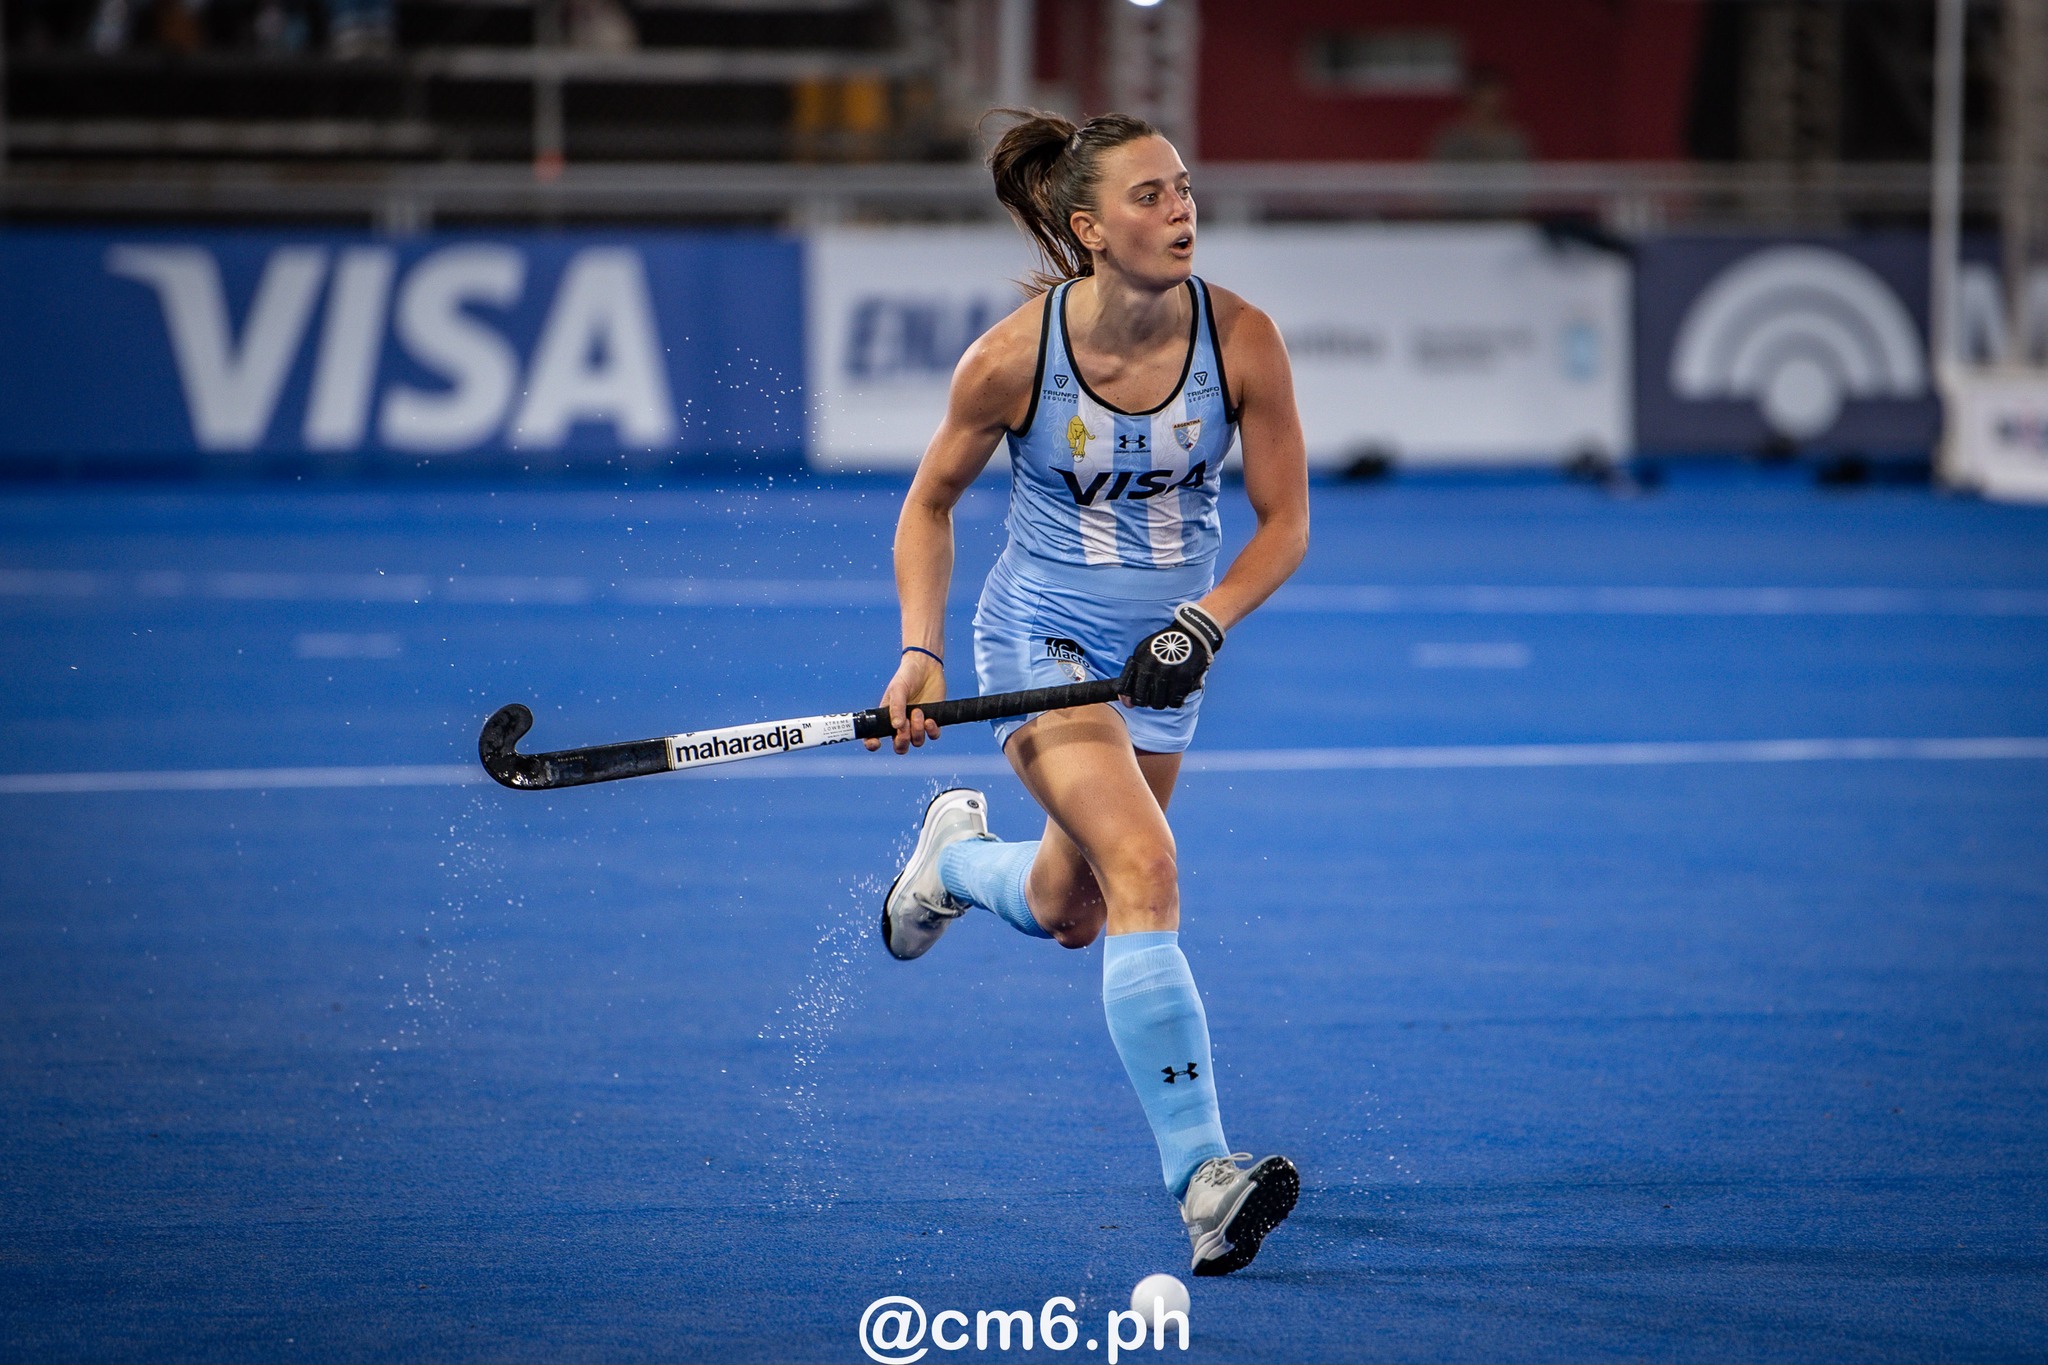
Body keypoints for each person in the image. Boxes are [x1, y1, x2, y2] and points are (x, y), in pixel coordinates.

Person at [864, 109, 1311, 1276]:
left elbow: (1283, 525)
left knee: (1075, 910)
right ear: (1088, 228)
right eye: (1149, 195)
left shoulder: (1241, 340)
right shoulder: (1011, 360)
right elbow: (928, 505)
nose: (1181, 211)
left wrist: (1202, 622)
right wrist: (919, 652)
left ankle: (952, 864)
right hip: (1040, 642)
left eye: (1183, 187)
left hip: (1164, 657)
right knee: (1146, 864)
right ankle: (1203, 1178)